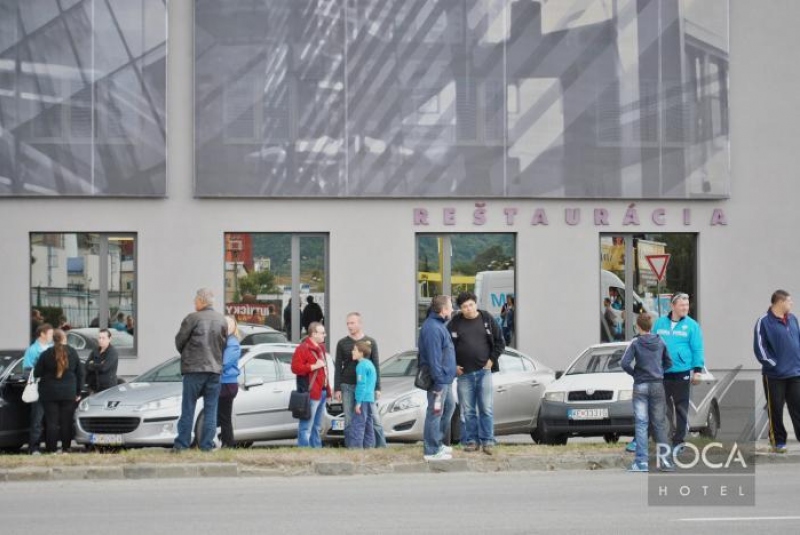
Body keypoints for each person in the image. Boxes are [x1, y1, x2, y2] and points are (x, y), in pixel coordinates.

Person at [448, 291, 505, 455]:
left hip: (483, 372)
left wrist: (491, 361)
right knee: (468, 411)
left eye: (471, 305)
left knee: (486, 408)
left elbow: (500, 342)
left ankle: (488, 441)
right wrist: (453, 366)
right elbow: (447, 346)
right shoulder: (455, 323)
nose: (468, 309)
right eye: (464, 306)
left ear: (476, 304)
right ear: (460, 309)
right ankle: (472, 441)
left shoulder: (486, 319)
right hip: (464, 375)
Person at [173, 288, 227, 452]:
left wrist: (188, 354)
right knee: (211, 409)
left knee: (188, 407)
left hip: (194, 369)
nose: (194, 302)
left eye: (195, 300)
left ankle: (182, 445)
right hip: (214, 370)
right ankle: (206, 445)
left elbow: (179, 341)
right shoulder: (221, 320)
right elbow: (223, 344)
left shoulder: (192, 318)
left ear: (202, 301)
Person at [653, 292, 705, 455]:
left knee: (681, 408)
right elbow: (652, 344)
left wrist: (697, 371)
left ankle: (679, 441)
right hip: (662, 373)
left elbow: (697, 349)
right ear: (673, 305)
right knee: (662, 409)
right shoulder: (660, 323)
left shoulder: (692, 325)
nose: (685, 308)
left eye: (687, 305)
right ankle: (664, 440)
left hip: (682, 372)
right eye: (682, 305)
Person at [621, 313, 674, 472]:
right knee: (659, 424)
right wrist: (659, 372)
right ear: (651, 326)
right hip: (658, 385)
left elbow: (624, 363)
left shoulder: (635, 342)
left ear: (638, 326)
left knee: (642, 424)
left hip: (641, 385)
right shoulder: (660, 341)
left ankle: (641, 463)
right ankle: (666, 462)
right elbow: (669, 362)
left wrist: (635, 373)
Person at [753, 290, 800, 453]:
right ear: (780, 302)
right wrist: (774, 364)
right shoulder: (763, 322)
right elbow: (760, 348)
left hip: (795, 373)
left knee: (797, 406)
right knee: (776, 409)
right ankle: (778, 441)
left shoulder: (793, 319)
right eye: (789, 301)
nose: (791, 304)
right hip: (774, 375)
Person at [334, 312, 386, 447]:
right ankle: (352, 448)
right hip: (347, 385)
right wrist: (337, 388)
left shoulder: (370, 342)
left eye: (352, 323)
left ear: (360, 323)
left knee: (374, 419)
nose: (349, 326)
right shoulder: (342, 343)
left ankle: (380, 447)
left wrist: (377, 387)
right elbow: (338, 367)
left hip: (366, 388)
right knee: (349, 419)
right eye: (347, 323)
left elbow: (375, 365)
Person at [419, 295, 457, 461]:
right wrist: (439, 380)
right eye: (450, 307)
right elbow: (434, 358)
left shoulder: (439, 325)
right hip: (439, 381)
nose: (453, 310)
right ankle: (431, 450)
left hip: (445, 379)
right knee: (435, 412)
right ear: (443, 310)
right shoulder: (433, 328)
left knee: (448, 408)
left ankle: (438, 443)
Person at [34, 329, 83, 454]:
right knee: (66, 422)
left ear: (53, 339)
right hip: (68, 393)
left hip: (49, 393)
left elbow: (37, 373)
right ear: (64, 338)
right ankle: (66, 448)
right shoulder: (73, 352)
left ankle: (51, 449)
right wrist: (78, 392)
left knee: (51, 422)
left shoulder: (45, 354)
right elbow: (80, 374)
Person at [290, 322, 331, 448]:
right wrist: (313, 366)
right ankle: (304, 450)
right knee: (306, 425)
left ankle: (316, 449)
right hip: (311, 392)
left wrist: (328, 391)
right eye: (322, 332)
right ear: (313, 334)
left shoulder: (321, 348)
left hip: (322, 391)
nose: (325, 335)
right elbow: (295, 368)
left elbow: (325, 371)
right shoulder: (302, 348)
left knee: (317, 425)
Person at [23, 323, 53, 454]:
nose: (52, 336)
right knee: (37, 419)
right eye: (50, 334)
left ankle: (50, 447)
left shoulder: (53, 348)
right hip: (39, 389)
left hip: (53, 389)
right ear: (42, 334)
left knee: (51, 420)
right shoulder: (32, 350)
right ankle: (34, 447)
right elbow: (26, 372)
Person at [346, 340, 377, 448]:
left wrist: (358, 402)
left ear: (361, 352)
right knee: (368, 424)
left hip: (363, 399)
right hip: (369, 398)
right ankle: (369, 447)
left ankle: (355, 449)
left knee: (357, 424)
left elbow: (361, 385)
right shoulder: (369, 364)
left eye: (354, 350)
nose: (352, 352)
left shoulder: (361, 366)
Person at [218, 316, 241, 448]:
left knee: (224, 416)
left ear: (234, 327)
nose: (226, 326)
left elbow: (225, 363)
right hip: (223, 382)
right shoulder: (224, 340)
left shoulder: (232, 342)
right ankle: (226, 441)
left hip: (227, 383)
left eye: (229, 324)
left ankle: (228, 443)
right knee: (222, 415)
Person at [84, 328, 119, 393]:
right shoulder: (95, 350)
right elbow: (86, 365)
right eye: (99, 338)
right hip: (94, 387)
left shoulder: (112, 352)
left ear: (109, 339)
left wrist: (93, 364)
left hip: (108, 388)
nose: (100, 340)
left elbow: (104, 368)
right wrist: (99, 364)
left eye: (103, 338)